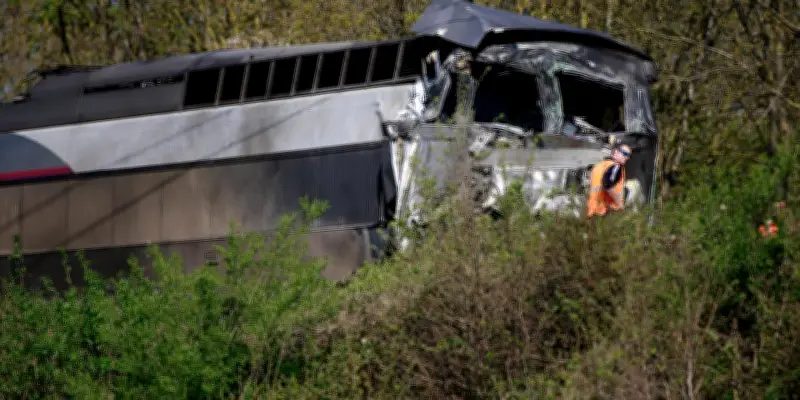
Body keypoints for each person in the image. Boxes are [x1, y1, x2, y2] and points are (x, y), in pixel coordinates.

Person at [586, 142, 632, 218]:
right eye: (625, 153)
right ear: (616, 152)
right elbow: (607, 184)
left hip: (593, 212)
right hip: (606, 212)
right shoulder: (616, 166)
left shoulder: (600, 166)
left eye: (629, 156)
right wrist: (620, 205)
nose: (627, 157)